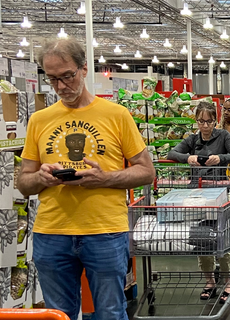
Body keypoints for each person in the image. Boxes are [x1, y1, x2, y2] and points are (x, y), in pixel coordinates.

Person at [19, 38, 155, 320]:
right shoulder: (39, 120)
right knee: (58, 314)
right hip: (52, 232)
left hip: (104, 232)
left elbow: (146, 171)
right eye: (52, 79)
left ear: (83, 69)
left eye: (66, 76)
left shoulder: (117, 115)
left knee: (109, 312)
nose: (60, 87)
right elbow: (24, 183)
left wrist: (103, 178)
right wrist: (42, 177)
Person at [167, 101, 230, 302]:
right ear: (196, 121)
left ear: (215, 121)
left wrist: (221, 158)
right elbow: (172, 153)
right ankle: (209, 281)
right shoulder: (192, 139)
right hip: (197, 196)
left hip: (220, 195)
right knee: (202, 239)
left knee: (223, 240)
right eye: (201, 121)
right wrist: (188, 158)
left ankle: (228, 281)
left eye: (209, 121)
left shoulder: (224, 136)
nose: (205, 126)